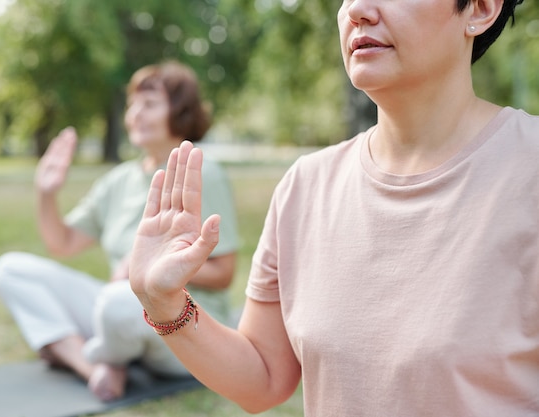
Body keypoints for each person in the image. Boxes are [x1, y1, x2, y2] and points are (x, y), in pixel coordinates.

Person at [128, 0, 539, 416]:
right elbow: (265, 378)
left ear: (481, 9)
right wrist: (165, 302)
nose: (357, 9)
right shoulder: (305, 185)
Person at [0, 61, 238, 402]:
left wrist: (151, 273)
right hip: (121, 305)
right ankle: (95, 367)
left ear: (180, 111)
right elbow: (61, 243)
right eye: (132, 105)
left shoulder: (201, 171)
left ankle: (91, 350)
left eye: (149, 104)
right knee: (11, 269)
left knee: (118, 301)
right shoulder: (118, 180)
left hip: (183, 322)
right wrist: (46, 192)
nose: (136, 113)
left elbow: (224, 274)